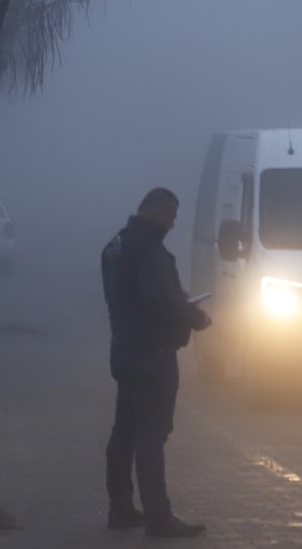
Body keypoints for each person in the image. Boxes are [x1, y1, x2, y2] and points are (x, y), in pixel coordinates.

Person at [101, 187, 211, 537]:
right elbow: (159, 298)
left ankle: (120, 509)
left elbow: (132, 297)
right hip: (153, 355)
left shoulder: (116, 246)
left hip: (125, 350)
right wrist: (193, 315)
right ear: (158, 211)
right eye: (172, 216)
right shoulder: (149, 251)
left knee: (125, 433)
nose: (173, 224)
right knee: (151, 437)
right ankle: (159, 518)